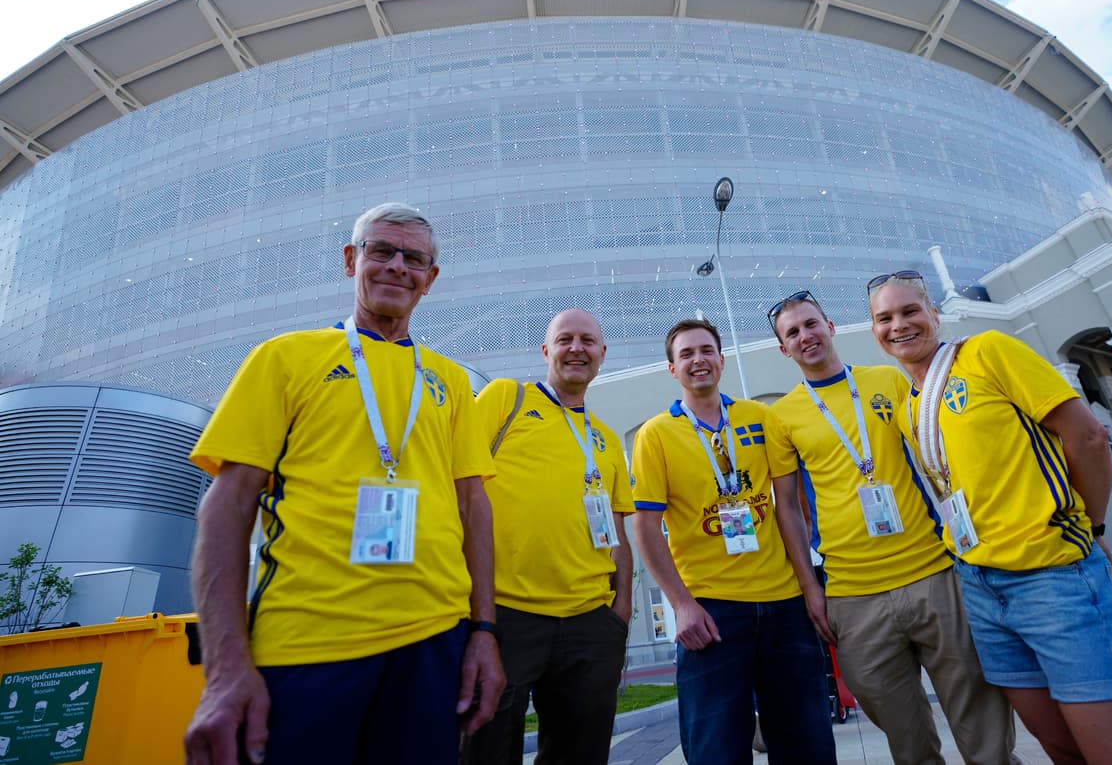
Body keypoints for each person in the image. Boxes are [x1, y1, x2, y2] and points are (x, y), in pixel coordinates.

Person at [183, 203, 503, 765]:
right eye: (382, 251)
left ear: (430, 280)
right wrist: (225, 666)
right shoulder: (285, 357)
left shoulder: (450, 381)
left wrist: (483, 632)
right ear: (351, 260)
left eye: (414, 259)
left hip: (434, 640)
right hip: (307, 641)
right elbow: (226, 507)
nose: (397, 267)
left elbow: (473, 507)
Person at [869, 270, 1112, 765]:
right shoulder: (910, 405)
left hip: (1053, 576)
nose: (898, 325)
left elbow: (1089, 437)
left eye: (910, 311)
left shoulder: (989, 351)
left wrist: (1091, 528)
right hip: (982, 589)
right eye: (884, 318)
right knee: (1061, 747)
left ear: (934, 314)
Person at [763, 290, 1014, 765]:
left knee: (981, 715)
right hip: (854, 597)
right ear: (784, 350)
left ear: (831, 327)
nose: (805, 336)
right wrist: (811, 589)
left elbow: (938, 461)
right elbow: (789, 511)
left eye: (812, 324)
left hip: (934, 573)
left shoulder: (888, 381)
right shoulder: (782, 417)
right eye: (792, 332)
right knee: (903, 734)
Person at [630, 318, 837, 765]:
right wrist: (682, 604)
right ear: (671, 369)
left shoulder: (761, 419)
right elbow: (646, 529)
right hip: (712, 612)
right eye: (686, 354)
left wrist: (810, 589)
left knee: (809, 745)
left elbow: (790, 509)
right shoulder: (656, 435)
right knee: (717, 752)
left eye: (706, 350)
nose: (698, 360)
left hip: (784, 607)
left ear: (721, 360)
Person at [461, 309, 635, 765]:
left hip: (590, 621)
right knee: (486, 750)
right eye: (565, 339)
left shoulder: (607, 439)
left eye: (587, 341)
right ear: (546, 350)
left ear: (602, 354)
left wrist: (620, 612)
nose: (576, 348)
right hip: (506, 614)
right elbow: (460, 485)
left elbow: (618, 532)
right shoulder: (506, 399)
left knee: (581, 754)